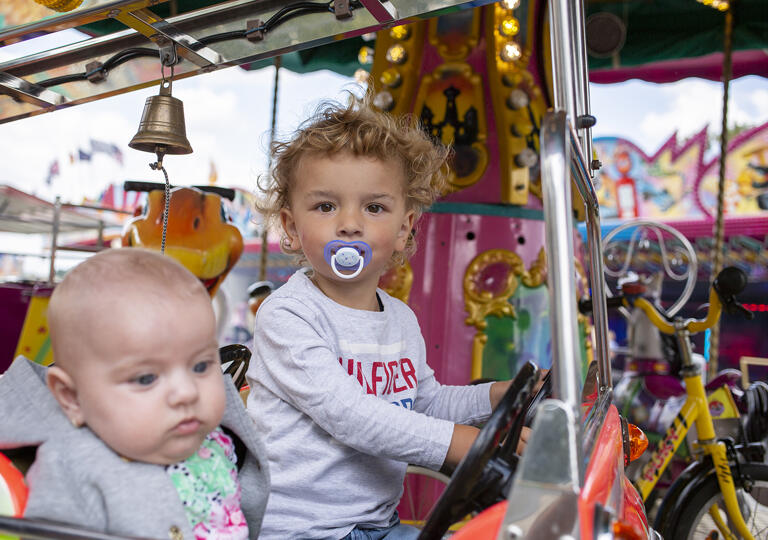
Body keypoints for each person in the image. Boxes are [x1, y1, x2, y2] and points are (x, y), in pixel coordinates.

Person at [247, 95, 532, 540]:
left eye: (374, 207)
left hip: (377, 526)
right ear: (290, 225)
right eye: (325, 206)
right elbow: (351, 416)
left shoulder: (399, 319)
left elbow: (423, 403)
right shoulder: (288, 314)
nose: (349, 224)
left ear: (404, 229)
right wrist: (473, 445)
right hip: (302, 531)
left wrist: (498, 396)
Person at [0, 248, 270, 539]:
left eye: (201, 365)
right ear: (71, 397)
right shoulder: (74, 471)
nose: (186, 392)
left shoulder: (218, 441)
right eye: (146, 378)